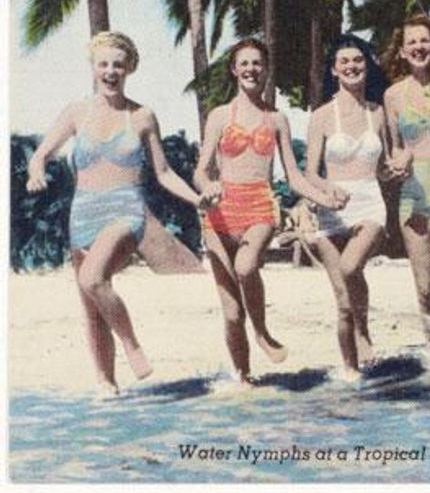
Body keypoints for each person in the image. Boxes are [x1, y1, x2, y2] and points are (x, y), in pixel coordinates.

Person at [26, 31, 209, 394]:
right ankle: (106, 384)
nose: (111, 71)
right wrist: (35, 171)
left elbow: (164, 173)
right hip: (83, 215)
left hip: (127, 211)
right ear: (94, 69)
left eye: (118, 65)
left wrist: (196, 199)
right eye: (104, 64)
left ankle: (131, 343)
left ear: (129, 70)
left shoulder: (141, 117)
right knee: (92, 306)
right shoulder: (76, 112)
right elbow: (41, 153)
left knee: (92, 278)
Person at [194, 37, 345, 385]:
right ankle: (243, 379)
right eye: (244, 63)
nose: (250, 69)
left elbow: (293, 177)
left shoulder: (276, 119)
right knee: (232, 314)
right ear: (234, 70)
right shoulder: (219, 116)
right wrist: (208, 187)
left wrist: (325, 197)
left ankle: (261, 330)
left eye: (257, 64)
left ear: (265, 70)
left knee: (246, 266)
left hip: (259, 208)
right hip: (218, 215)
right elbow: (200, 170)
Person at [306, 35, 389, 377]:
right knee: (343, 301)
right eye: (345, 62)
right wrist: (328, 188)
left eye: (358, 60)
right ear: (334, 70)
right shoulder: (323, 115)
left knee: (351, 267)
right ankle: (351, 374)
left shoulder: (378, 114)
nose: (352, 66)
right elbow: (310, 171)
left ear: (367, 66)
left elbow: (383, 166)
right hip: (330, 208)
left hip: (370, 203)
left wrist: (396, 165)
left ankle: (363, 329)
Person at [381, 15, 430, 343]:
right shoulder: (393, 96)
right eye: (411, 42)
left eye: (424, 41)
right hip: (413, 190)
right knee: (424, 285)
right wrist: (396, 164)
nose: (418, 47)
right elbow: (395, 149)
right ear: (401, 51)